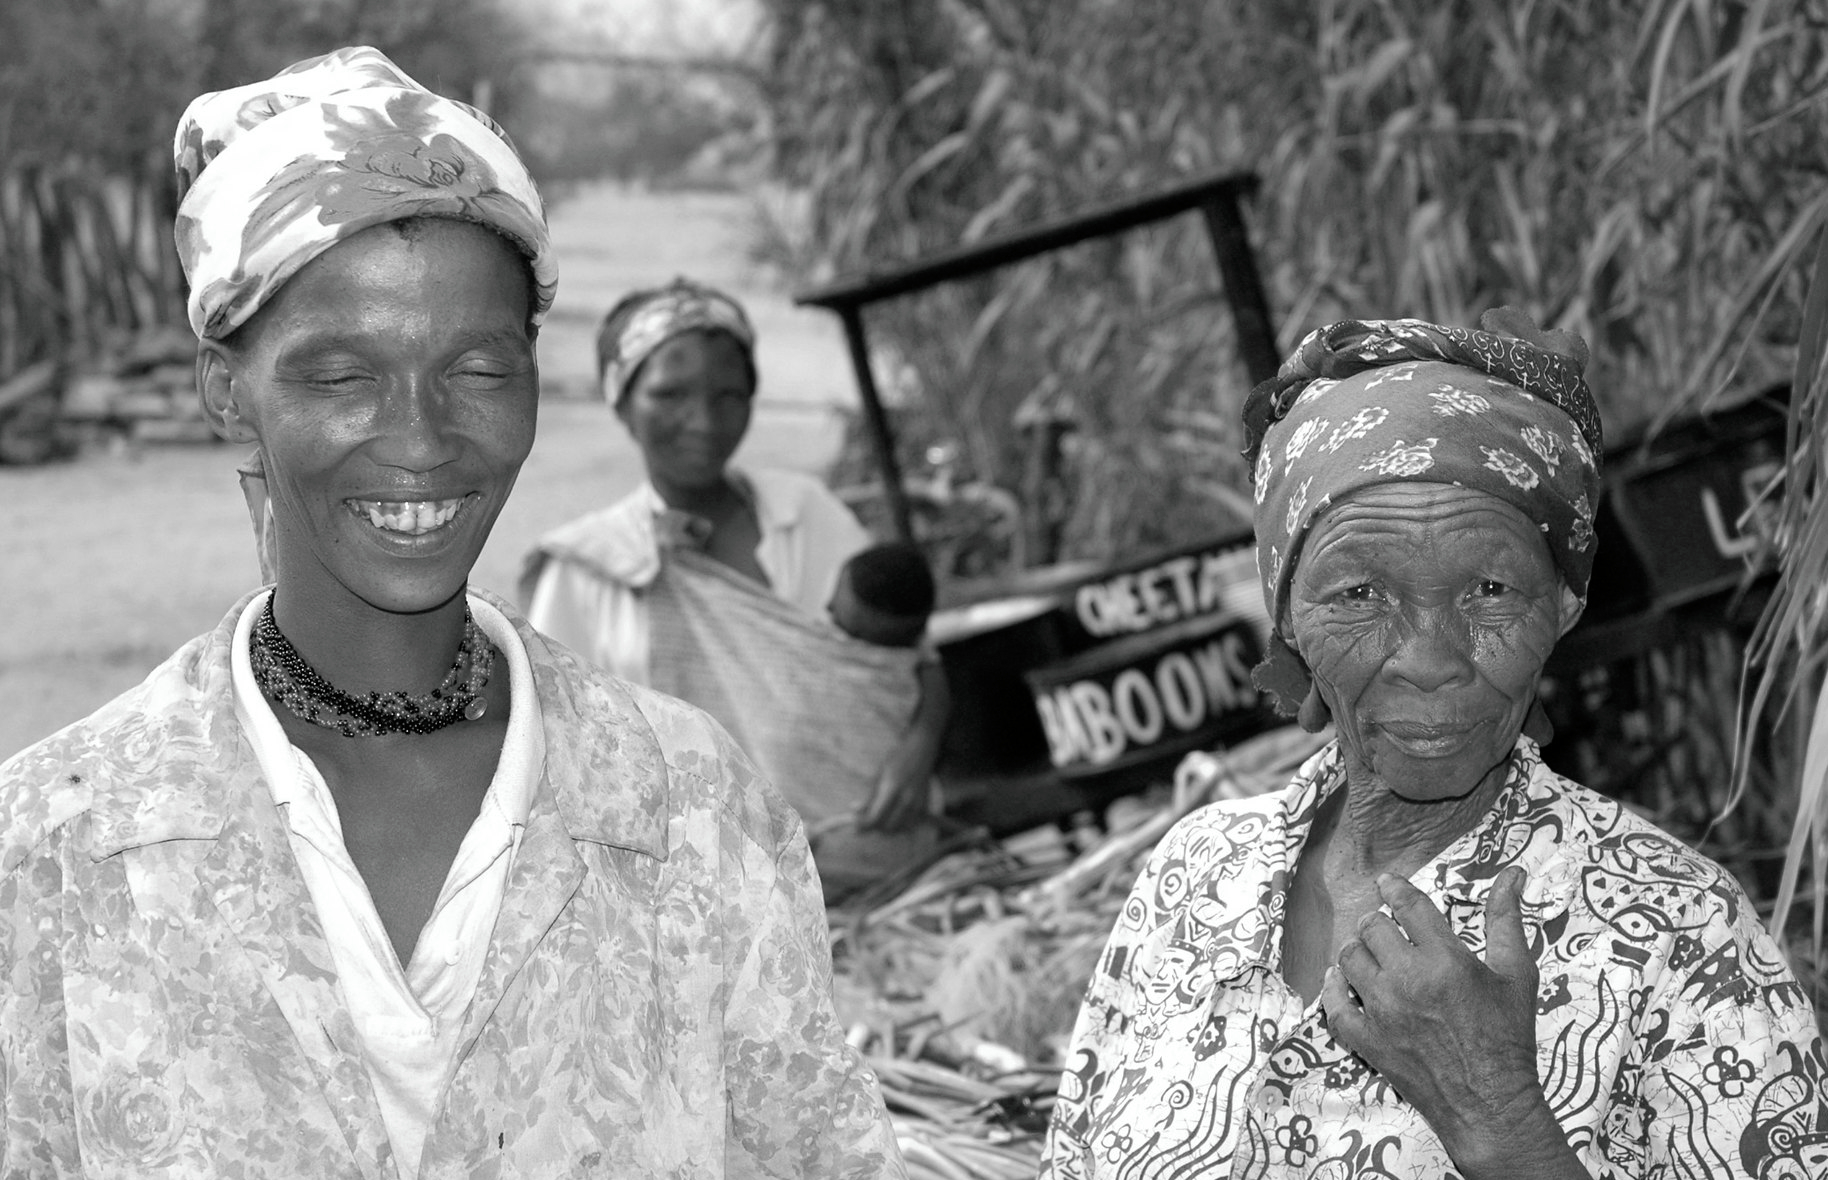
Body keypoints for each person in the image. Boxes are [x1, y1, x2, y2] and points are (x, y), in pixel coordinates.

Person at [0, 47, 903, 1178]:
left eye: (479, 368)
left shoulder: (693, 813)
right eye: (339, 376)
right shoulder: (54, 848)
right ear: (229, 391)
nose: (422, 438)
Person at [1040, 311, 1826, 1179]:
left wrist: (1496, 1112)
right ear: (1287, 617)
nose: (1428, 663)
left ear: (1563, 607)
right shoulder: (1195, 877)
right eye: (1358, 594)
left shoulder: (1682, 938)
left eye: (1491, 590)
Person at [522, 279, 949, 889]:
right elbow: (558, 763)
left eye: (729, 395)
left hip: (881, 863)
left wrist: (919, 748)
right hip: (699, 900)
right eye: (670, 394)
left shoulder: (805, 513)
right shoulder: (592, 570)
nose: (703, 420)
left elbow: (915, 662)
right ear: (621, 402)